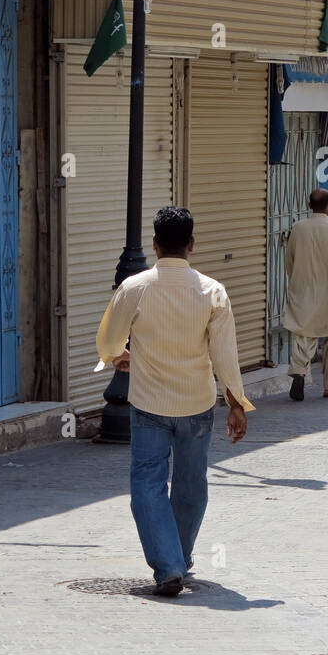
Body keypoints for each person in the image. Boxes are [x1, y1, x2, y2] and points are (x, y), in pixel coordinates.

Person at [95, 205, 253, 598]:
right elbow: (225, 355)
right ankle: (176, 558)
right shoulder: (213, 291)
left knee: (147, 483)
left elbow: (111, 337)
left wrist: (117, 356)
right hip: (197, 403)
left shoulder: (135, 287)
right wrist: (236, 402)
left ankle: (169, 565)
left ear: (153, 243)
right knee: (191, 484)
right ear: (192, 245)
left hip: (148, 403)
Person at [283, 187, 328, 401]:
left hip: (302, 291)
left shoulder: (298, 228)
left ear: (309, 205)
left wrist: (296, 279)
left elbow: (290, 260)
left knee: (304, 334)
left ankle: (298, 370)